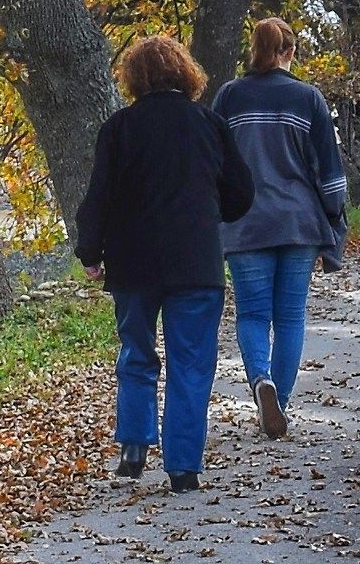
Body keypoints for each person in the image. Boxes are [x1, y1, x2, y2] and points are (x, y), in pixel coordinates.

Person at [73, 33, 254, 494]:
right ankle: (183, 467)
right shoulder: (210, 124)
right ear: (185, 73)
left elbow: (99, 198)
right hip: (195, 263)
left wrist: (90, 253)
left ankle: (133, 448)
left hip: (133, 265)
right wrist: (210, 210)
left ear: (134, 79)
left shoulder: (119, 128)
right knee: (191, 362)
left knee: (136, 353)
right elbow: (241, 195)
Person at [209, 16, 349, 439]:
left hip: (245, 222)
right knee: (290, 317)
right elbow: (329, 173)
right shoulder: (308, 99)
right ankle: (280, 403)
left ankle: (261, 383)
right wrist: (335, 215)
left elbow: (214, 162)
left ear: (254, 49)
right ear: (289, 52)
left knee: (252, 313)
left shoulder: (229, 97)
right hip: (298, 222)